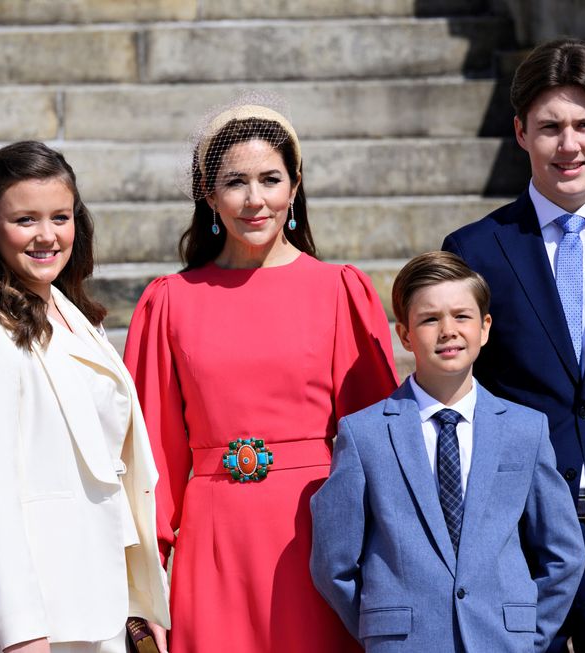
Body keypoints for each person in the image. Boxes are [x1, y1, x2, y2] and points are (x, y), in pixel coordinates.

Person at [122, 94, 398, 652]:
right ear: (208, 193)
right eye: (235, 182)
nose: (255, 200)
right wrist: (142, 585)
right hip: (213, 542)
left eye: (270, 180)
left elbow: (381, 442)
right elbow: (148, 453)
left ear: (294, 187)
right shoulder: (169, 302)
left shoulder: (341, 291)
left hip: (321, 539)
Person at [442, 38, 585, 651]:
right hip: (515, 544)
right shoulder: (474, 249)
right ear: (520, 132)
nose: (569, 145)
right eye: (550, 126)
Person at [0, 141, 170, 653]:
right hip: (34, 627)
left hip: (98, 611)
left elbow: (111, 481)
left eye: (60, 217)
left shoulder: (79, 318)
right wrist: (24, 635)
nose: (47, 236)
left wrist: (137, 600)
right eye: (25, 219)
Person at [310, 251, 585, 652]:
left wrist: (527, 634)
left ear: (485, 327)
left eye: (461, 316)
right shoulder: (363, 433)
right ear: (404, 335)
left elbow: (564, 553)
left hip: (502, 640)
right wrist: (383, 631)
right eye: (429, 319)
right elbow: (334, 563)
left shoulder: (526, 429)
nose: (448, 331)